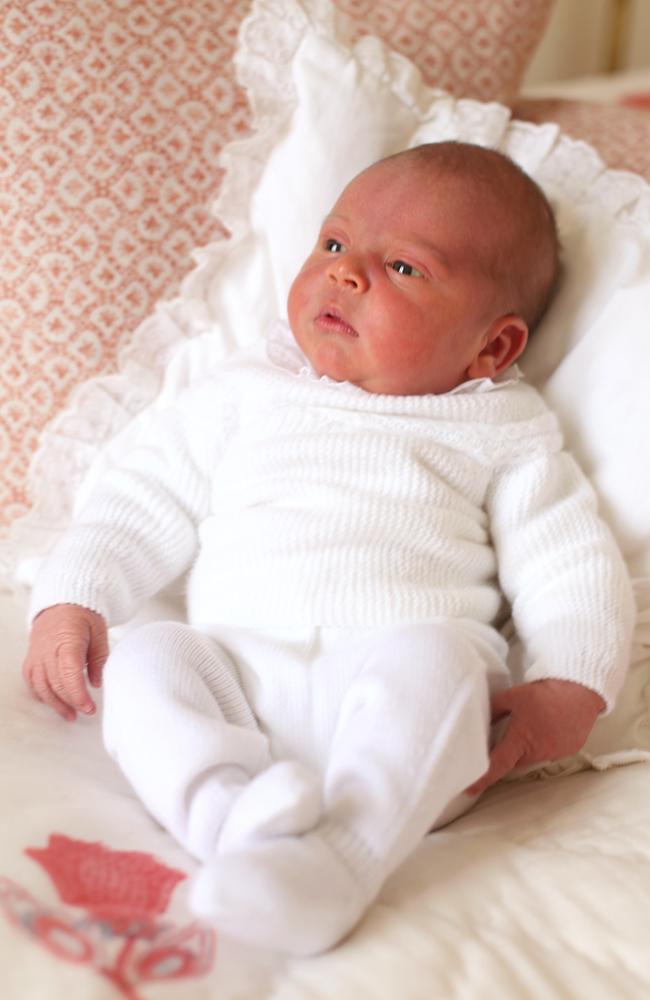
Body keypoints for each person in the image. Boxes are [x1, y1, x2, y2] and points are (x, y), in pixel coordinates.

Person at [22, 142, 634, 956]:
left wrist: (571, 684)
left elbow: (567, 558)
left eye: (406, 268)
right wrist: (75, 594)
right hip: (235, 674)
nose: (347, 274)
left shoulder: (501, 430)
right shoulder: (243, 391)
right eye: (336, 244)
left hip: (397, 713)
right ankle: (231, 823)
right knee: (148, 659)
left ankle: (345, 857)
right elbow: (139, 497)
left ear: (492, 348)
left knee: (443, 662)